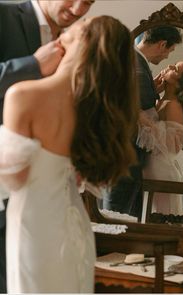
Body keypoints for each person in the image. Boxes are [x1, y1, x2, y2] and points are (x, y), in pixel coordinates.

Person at [0, 15, 139, 293]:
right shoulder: (95, 111)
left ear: (81, 39)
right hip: (74, 220)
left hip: (32, 222)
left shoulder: (23, 95)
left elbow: (14, 177)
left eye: (83, 22)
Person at [0, 0, 95, 292]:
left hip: (52, 206)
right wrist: (32, 67)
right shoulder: (2, 16)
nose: (79, 9)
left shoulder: (82, 39)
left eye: (89, 2)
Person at [103, 26, 182, 219]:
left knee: (121, 213)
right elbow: (133, 109)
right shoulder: (137, 68)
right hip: (125, 156)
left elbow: (133, 99)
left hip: (122, 154)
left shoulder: (131, 59)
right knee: (116, 216)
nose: (166, 58)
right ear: (162, 44)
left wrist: (153, 89)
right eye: (169, 51)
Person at [137, 61, 183, 215]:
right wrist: (154, 90)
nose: (169, 66)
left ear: (182, 83)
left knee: (160, 217)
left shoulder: (174, 105)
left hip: (161, 170)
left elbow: (170, 146)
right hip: (152, 167)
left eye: (176, 69)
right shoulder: (160, 101)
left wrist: (141, 117)